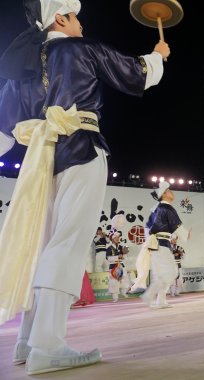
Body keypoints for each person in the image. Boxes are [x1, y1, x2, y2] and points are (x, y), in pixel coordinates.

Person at [0, 0, 170, 374]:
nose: (80, 24)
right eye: (75, 18)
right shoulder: (79, 48)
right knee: (67, 243)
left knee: (42, 245)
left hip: (40, 160)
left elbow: (2, 133)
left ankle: (27, 341)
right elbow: (134, 74)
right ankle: (48, 345)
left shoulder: (20, 69)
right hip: (80, 148)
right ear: (61, 18)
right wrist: (157, 56)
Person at [141, 181, 191, 309]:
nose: (171, 192)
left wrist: (149, 242)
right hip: (162, 244)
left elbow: (146, 227)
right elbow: (177, 226)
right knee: (171, 271)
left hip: (155, 245)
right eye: (169, 190)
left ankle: (160, 301)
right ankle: (149, 294)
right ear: (164, 194)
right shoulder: (167, 208)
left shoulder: (156, 209)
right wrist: (185, 235)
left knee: (159, 274)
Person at [106, 232, 131, 303]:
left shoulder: (121, 247)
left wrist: (124, 255)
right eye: (116, 237)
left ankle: (124, 292)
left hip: (121, 266)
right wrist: (117, 257)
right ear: (112, 239)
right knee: (114, 282)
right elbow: (108, 258)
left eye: (118, 237)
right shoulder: (109, 248)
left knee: (124, 279)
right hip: (113, 266)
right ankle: (115, 297)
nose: (117, 239)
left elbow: (126, 258)